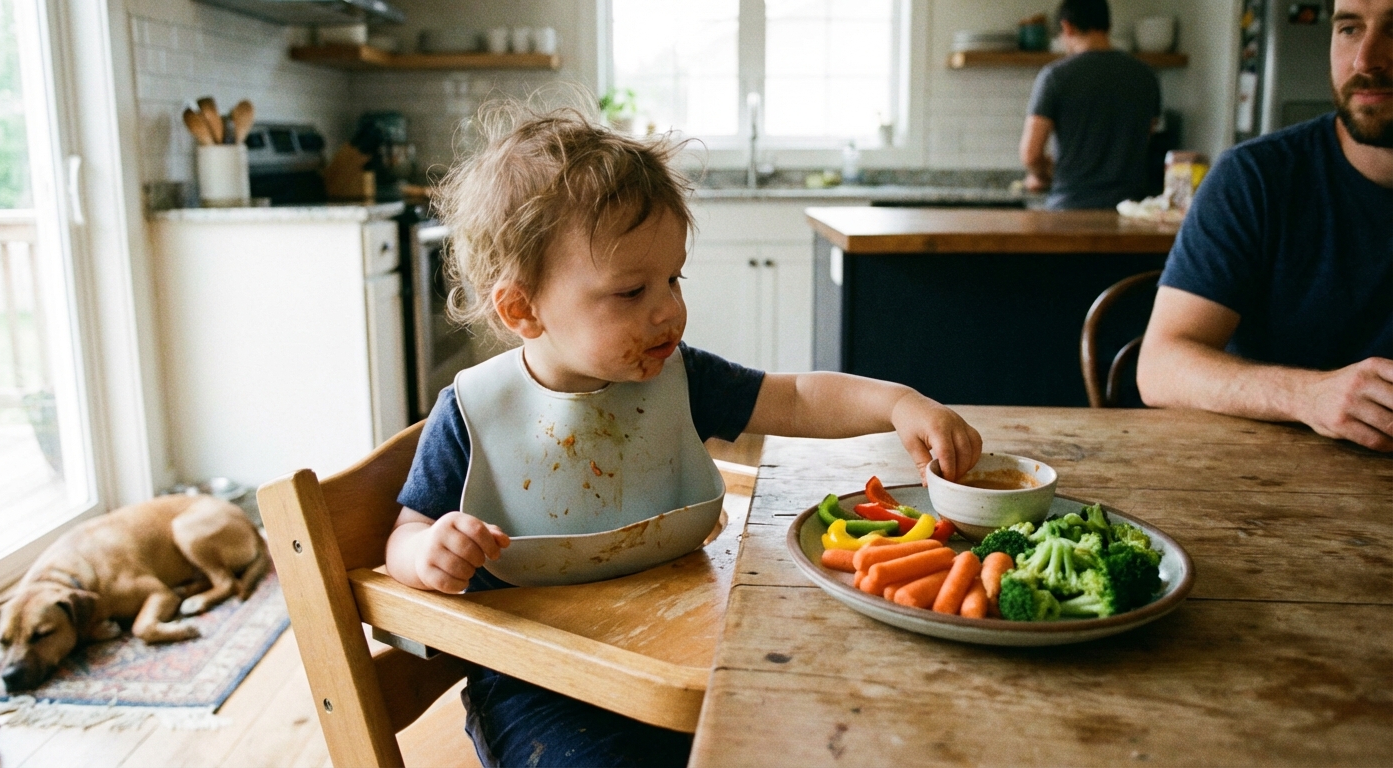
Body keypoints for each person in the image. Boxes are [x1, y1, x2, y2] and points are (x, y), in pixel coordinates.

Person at [384, 103, 984, 767]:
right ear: (522, 307)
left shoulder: (676, 378)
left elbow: (795, 397)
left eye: (673, 278)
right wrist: (429, 552)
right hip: (545, 685)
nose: (668, 308)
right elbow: (406, 534)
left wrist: (899, 403)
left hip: (688, 649)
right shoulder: (473, 412)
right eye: (631, 290)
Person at [1136, 0, 1393, 452]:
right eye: (1349, 28)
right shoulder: (1256, 177)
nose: (1365, 59)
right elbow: (1160, 366)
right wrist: (1310, 396)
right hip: (1265, 487)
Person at [1020, 0, 1162, 209]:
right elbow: (1146, 136)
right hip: (1130, 210)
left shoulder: (1055, 77)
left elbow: (1030, 155)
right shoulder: (1146, 76)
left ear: (1067, 27)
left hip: (1070, 209)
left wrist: (1043, 175)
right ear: (1107, 26)